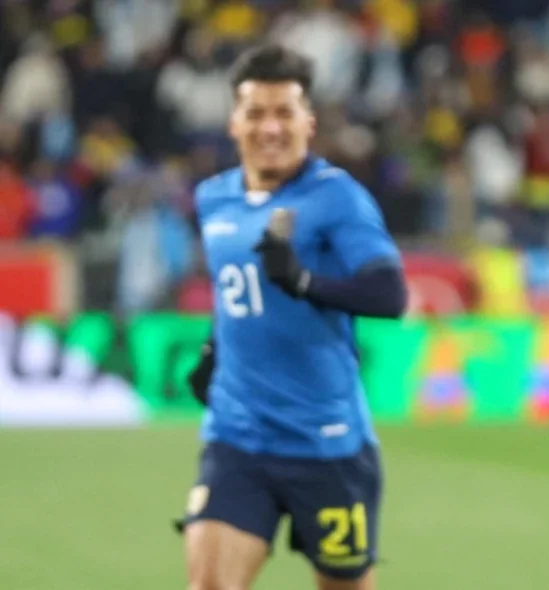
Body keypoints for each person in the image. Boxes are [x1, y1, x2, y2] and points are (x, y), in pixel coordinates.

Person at [178, 44, 407, 590]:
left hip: (326, 444)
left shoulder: (336, 199)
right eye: (256, 112)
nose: (271, 127)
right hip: (237, 437)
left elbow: (389, 293)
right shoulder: (214, 200)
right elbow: (235, 293)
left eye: (284, 112)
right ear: (234, 122)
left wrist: (305, 282)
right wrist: (215, 349)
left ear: (309, 121)